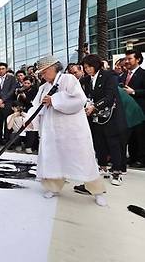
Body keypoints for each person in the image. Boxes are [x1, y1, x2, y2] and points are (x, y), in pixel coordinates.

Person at [30, 55, 107, 207]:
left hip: (73, 130)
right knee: (54, 159)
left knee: (83, 159)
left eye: (44, 72)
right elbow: (35, 106)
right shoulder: (43, 87)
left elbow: (79, 100)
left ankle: (97, 191)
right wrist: (29, 121)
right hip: (52, 131)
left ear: (53, 68)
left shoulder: (68, 79)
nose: (42, 75)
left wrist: (55, 100)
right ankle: (53, 188)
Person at [80, 54, 128, 186]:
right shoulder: (87, 80)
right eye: (85, 67)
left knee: (113, 143)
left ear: (96, 65)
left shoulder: (109, 76)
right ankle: (102, 166)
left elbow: (110, 96)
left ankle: (117, 172)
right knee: (99, 141)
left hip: (111, 115)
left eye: (89, 67)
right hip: (97, 117)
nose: (87, 69)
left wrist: (94, 107)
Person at [121, 50, 145, 168]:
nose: (126, 61)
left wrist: (133, 92)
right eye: (126, 59)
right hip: (127, 111)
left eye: (129, 59)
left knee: (140, 136)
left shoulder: (143, 74)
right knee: (130, 137)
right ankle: (132, 157)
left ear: (138, 59)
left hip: (140, 110)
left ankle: (142, 159)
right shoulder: (124, 75)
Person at [0, 62, 17, 147]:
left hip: (7, 104)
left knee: (8, 123)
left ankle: (8, 142)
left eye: (3, 69)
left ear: (6, 69)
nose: (1, 70)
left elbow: (12, 90)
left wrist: (3, 100)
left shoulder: (12, 78)